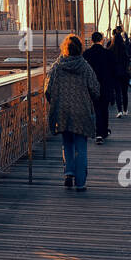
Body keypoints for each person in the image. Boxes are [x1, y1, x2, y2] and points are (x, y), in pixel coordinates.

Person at [44, 34, 100, 192]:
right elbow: (95, 89)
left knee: (67, 142)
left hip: (62, 110)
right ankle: (80, 183)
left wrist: (55, 102)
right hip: (81, 110)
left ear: (65, 48)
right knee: (81, 147)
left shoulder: (57, 66)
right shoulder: (85, 67)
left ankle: (68, 172)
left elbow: (48, 89)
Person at [82, 30, 117, 144]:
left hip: (91, 86)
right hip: (106, 85)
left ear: (91, 40)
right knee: (104, 109)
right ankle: (104, 131)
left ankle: (97, 133)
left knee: (95, 109)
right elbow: (113, 71)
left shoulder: (86, 54)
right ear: (102, 40)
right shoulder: (108, 54)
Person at [111, 27, 131, 118]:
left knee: (117, 92)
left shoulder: (111, 48)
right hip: (125, 72)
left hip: (115, 73)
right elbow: (130, 55)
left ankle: (119, 110)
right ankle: (125, 110)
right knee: (125, 92)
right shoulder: (125, 48)